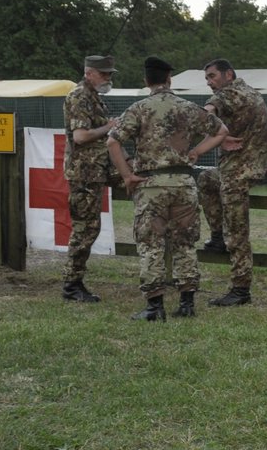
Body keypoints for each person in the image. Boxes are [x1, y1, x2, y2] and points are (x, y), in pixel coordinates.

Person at [107, 56, 228, 322]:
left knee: (152, 245)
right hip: (184, 184)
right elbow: (221, 131)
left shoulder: (139, 108)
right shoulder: (187, 107)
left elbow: (113, 142)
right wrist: (196, 151)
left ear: (146, 81)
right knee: (185, 243)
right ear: (169, 79)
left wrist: (127, 175)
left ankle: (154, 307)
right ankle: (187, 303)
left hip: (151, 186)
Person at [196, 58, 267, 307]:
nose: (209, 82)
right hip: (242, 167)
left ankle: (241, 289)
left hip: (238, 172)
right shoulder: (248, 91)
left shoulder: (229, 93)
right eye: (207, 78)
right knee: (206, 179)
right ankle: (217, 235)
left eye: (212, 76)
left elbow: (209, 110)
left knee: (237, 232)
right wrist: (222, 136)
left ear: (228, 74)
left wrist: (209, 132)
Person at [60, 54, 120, 302]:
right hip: (84, 173)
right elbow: (81, 137)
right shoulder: (80, 96)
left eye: (109, 74)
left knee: (90, 228)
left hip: (95, 171)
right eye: (103, 73)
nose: (108, 78)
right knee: (85, 229)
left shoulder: (93, 97)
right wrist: (109, 127)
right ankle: (72, 284)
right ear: (89, 73)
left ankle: (74, 282)